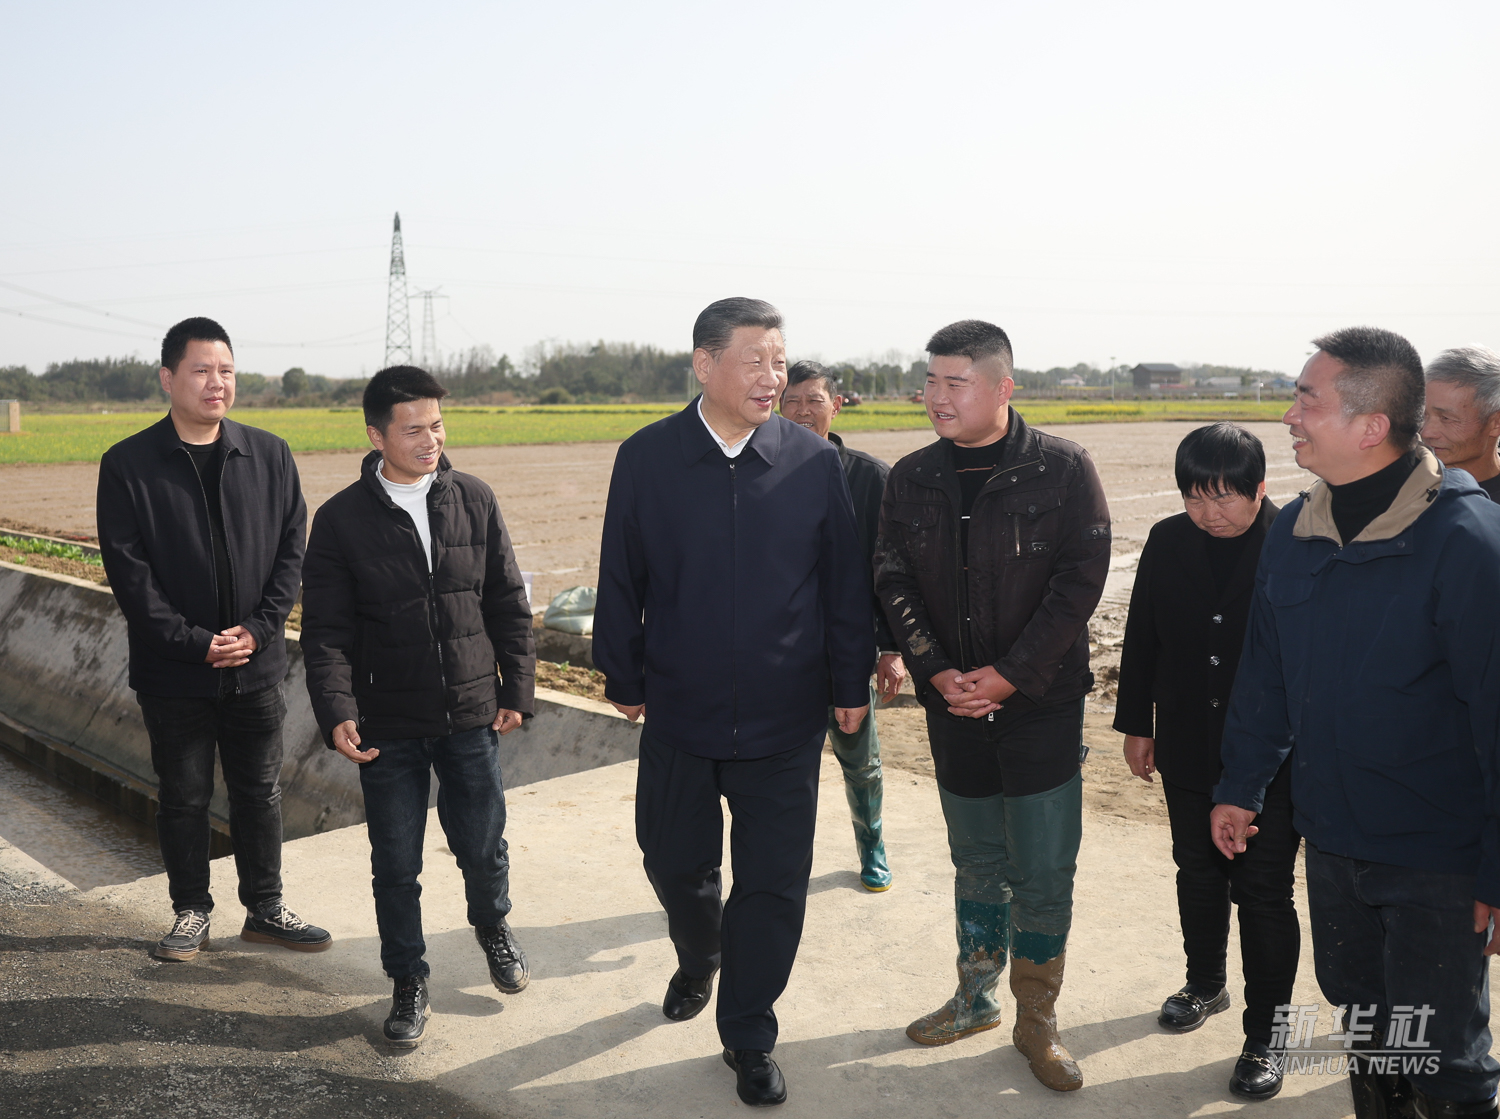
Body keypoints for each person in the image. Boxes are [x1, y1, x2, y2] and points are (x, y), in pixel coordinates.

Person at [1211, 327, 1500, 1119]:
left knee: (1444, 1054)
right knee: (1371, 1028)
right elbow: (1266, 673)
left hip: (1437, 856)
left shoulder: (1465, 540)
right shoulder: (1295, 532)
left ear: (1372, 425)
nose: (1289, 415)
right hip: (1334, 839)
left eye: (1308, 399)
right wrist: (1240, 783)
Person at [594, 298, 873, 1108]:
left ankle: (748, 1030)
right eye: (755, 359)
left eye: (779, 361)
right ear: (704, 363)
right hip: (681, 711)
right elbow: (621, 573)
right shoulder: (647, 457)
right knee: (673, 860)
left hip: (786, 719)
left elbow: (844, 585)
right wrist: (623, 674)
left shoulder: (810, 462)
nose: (772, 377)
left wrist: (848, 682)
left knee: (775, 883)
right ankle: (700, 951)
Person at [874, 320, 1110, 1092]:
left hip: (1039, 701)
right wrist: (936, 670)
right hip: (953, 705)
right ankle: (974, 995)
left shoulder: (1062, 470)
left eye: (956, 381)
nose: (936, 396)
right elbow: (892, 580)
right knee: (975, 857)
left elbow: (1078, 582)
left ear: (1003, 386)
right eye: (931, 380)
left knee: (1040, 867)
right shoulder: (911, 477)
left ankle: (1036, 1019)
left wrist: (1009, 674)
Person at [300, 366, 535, 1049]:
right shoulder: (340, 520)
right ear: (376, 436)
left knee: (482, 843)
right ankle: (407, 978)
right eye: (413, 429)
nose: (430, 440)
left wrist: (516, 688)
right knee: (396, 862)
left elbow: (507, 601)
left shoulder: (474, 498)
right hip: (389, 721)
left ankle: (492, 925)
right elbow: (326, 632)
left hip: (470, 711)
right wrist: (336, 708)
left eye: (437, 425)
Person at [96, 316, 329, 962]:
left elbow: (292, 552)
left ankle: (266, 908)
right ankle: (191, 910)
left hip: (256, 666)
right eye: (201, 370)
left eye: (226, 370)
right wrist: (195, 642)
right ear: (168, 378)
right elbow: (130, 575)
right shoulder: (128, 465)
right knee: (184, 796)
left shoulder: (270, 454)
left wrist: (257, 630)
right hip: (175, 672)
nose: (216, 382)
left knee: (260, 793)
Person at [1114, 423, 1297, 1101]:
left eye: (1223, 497)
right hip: (1188, 739)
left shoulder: (1292, 541)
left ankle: (1267, 1034)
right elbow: (1142, 634)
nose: (1207, 512)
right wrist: (1138, 724)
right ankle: (1205, 982)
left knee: (1264, 889)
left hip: (1271, 752)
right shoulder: (1167, 539)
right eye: (1194, 496)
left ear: (1259, 488)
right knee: (1196, 868)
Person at [779, 359, 905, 891]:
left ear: (836, 405)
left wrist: (890, 647)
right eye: (791, 401)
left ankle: (872, 844)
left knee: (861, 759)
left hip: (846, 651)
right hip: (781, 654)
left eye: (814, 400)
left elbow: (892, 571)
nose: (802, 411)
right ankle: (783, 864)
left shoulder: (870, 478)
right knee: (783, 770)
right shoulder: (761, 470)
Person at [1422, 346, 1500, 501]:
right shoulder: (1396, 491)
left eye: (1446, 418)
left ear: (1495, 424)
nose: (1426, 432)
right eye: (1422, 416)